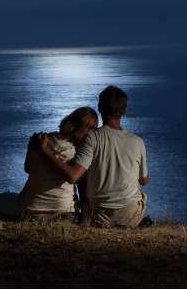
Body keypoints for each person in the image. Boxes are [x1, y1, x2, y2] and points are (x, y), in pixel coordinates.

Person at [36, 85, 149, 228]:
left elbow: (73, 176)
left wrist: (45, 152)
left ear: (100, 108)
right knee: (140, 193)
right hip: (130, 217)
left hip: (98, 217)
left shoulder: (92, 137)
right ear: (124, 111)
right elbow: (144, 181)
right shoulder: (138, 142)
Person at [17, 106, 98, 220]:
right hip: (62, 212)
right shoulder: (76, 152)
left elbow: (28, 168)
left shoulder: (43, 139)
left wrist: (33, 148)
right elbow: (73, 177)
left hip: (29, 210)